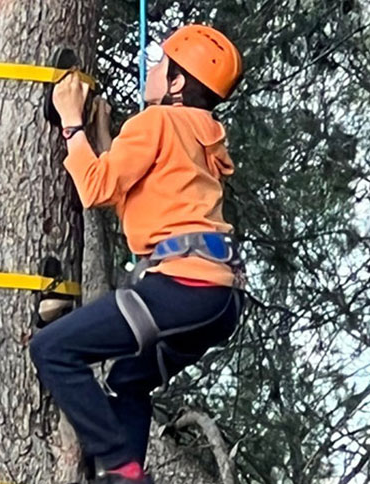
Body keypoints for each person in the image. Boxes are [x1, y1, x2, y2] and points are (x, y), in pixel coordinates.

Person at [30, 24, 245, 484]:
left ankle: (122, 469)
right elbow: (139, 192)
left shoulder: (158, 122)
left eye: (160, 63)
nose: (151, 67)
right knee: (128, 380)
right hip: (219, 300)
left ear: (177, 83)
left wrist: (71, 122)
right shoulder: (199, 133)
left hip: (183, 285)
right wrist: (106, 141)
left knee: (52, 348)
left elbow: (95, 188)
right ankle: (123, 476)